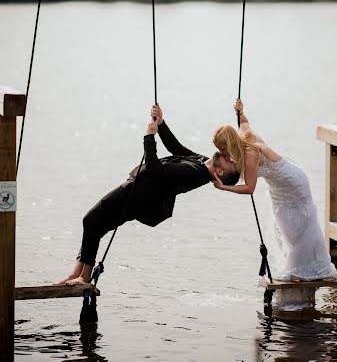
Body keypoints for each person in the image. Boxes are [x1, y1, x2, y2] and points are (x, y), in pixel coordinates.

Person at [56, 104, 239, 286]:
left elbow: (154, 169)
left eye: (229, 161)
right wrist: (161, 123)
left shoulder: (195, 174)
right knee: (96, 226)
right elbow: (176, 147)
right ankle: (76, 274)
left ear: (220, 172)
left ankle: (84, 276)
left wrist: (149, 136)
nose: (228, 156)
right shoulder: (201, 161)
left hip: (137, 196)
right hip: (138, 193)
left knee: (91, 220)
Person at [212, 99, 336, 308]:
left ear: (230, 144)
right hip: (278, 188)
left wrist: (224, 188)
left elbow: (249, 188)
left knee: (301, 224)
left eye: (222, 150)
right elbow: (244, 121)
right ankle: (302, 269)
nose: (223, 154)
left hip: (292, 181)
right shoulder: (244, 134)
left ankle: (311, 270)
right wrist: (240, 111)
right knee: (286, 226)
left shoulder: (250, 153)